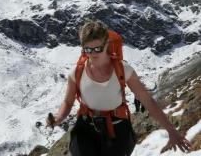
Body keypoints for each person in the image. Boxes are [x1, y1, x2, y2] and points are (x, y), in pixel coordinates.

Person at [49, 21, 192, 155]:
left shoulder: (123, 69)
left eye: (97, 48)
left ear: (107, 44)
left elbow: (147, 101)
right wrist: (58, 118)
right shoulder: (76, 72)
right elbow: (68, 102)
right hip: (86, 129)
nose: (92, 54)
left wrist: (172, 131)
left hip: (116, 129)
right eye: (88, 49)